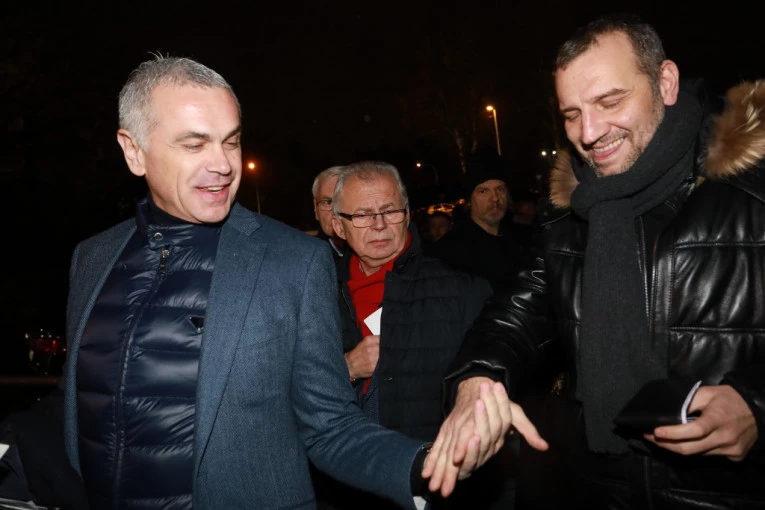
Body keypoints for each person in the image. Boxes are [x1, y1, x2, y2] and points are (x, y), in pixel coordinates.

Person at [0, 56, 501, 510]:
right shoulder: (92, 258)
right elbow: (84, 398)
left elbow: (330, 425)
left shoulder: (292, 262)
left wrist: (423, 465)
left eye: (232, 141)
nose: (223, 164)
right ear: (134, 152)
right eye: (194, 143)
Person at [425, 13, 765, 509]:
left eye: (610, 101)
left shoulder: (752, 184)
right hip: (596, 489)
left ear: (665, 83)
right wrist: (477, 380)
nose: (588, 132)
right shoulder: (568, 208)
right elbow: (517, 312)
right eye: (571, 114)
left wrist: (757, 403)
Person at [311, 161, 507, 509]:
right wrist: (346, 368)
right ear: (339, 226)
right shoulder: (313, 295)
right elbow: (287, 392)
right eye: (363, 215)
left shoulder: (461, 288)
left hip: (439, 481)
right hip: (343, 488)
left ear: (406, 214)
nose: (379, 224)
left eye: (390, 211)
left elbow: (495, 383)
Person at [428, 148, 531, 292]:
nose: (495, 198)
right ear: (470, 200)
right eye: (483, 191)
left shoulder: (524, 242)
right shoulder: (450, 253)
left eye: (500, 189)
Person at [312, 165, 347, 262]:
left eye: (342, 202)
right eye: (327, 202)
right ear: (315, 208)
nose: (335, 211)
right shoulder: (305, 259)